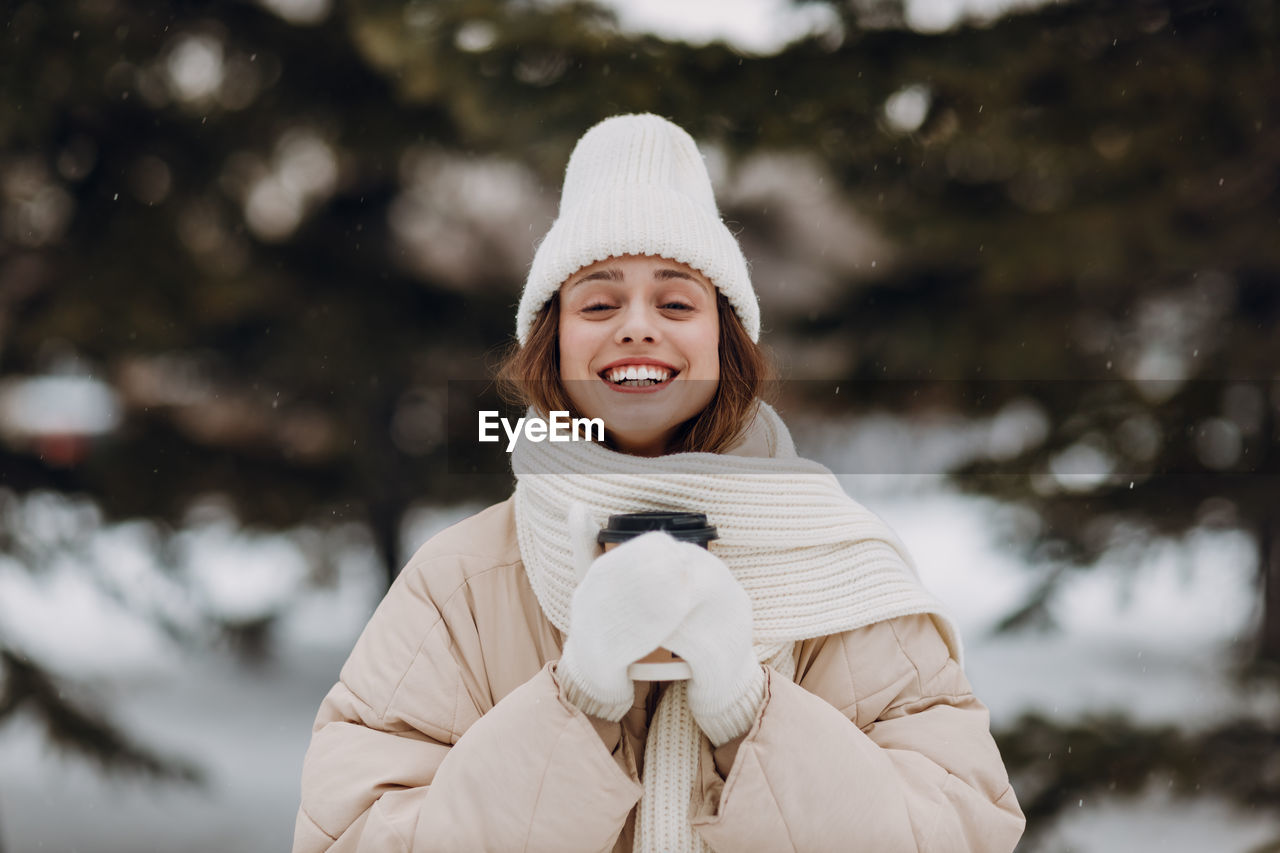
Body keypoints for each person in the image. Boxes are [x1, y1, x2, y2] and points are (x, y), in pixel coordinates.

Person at [292, 113, 1025, 852]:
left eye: (676, 302)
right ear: (552, 342)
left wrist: (749, 706)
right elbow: (350, 837)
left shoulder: (842, 576)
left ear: (724, 340)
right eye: (599, 303)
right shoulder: (461, 587)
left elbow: (963, 833)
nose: (638, 327)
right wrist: (575, 701)